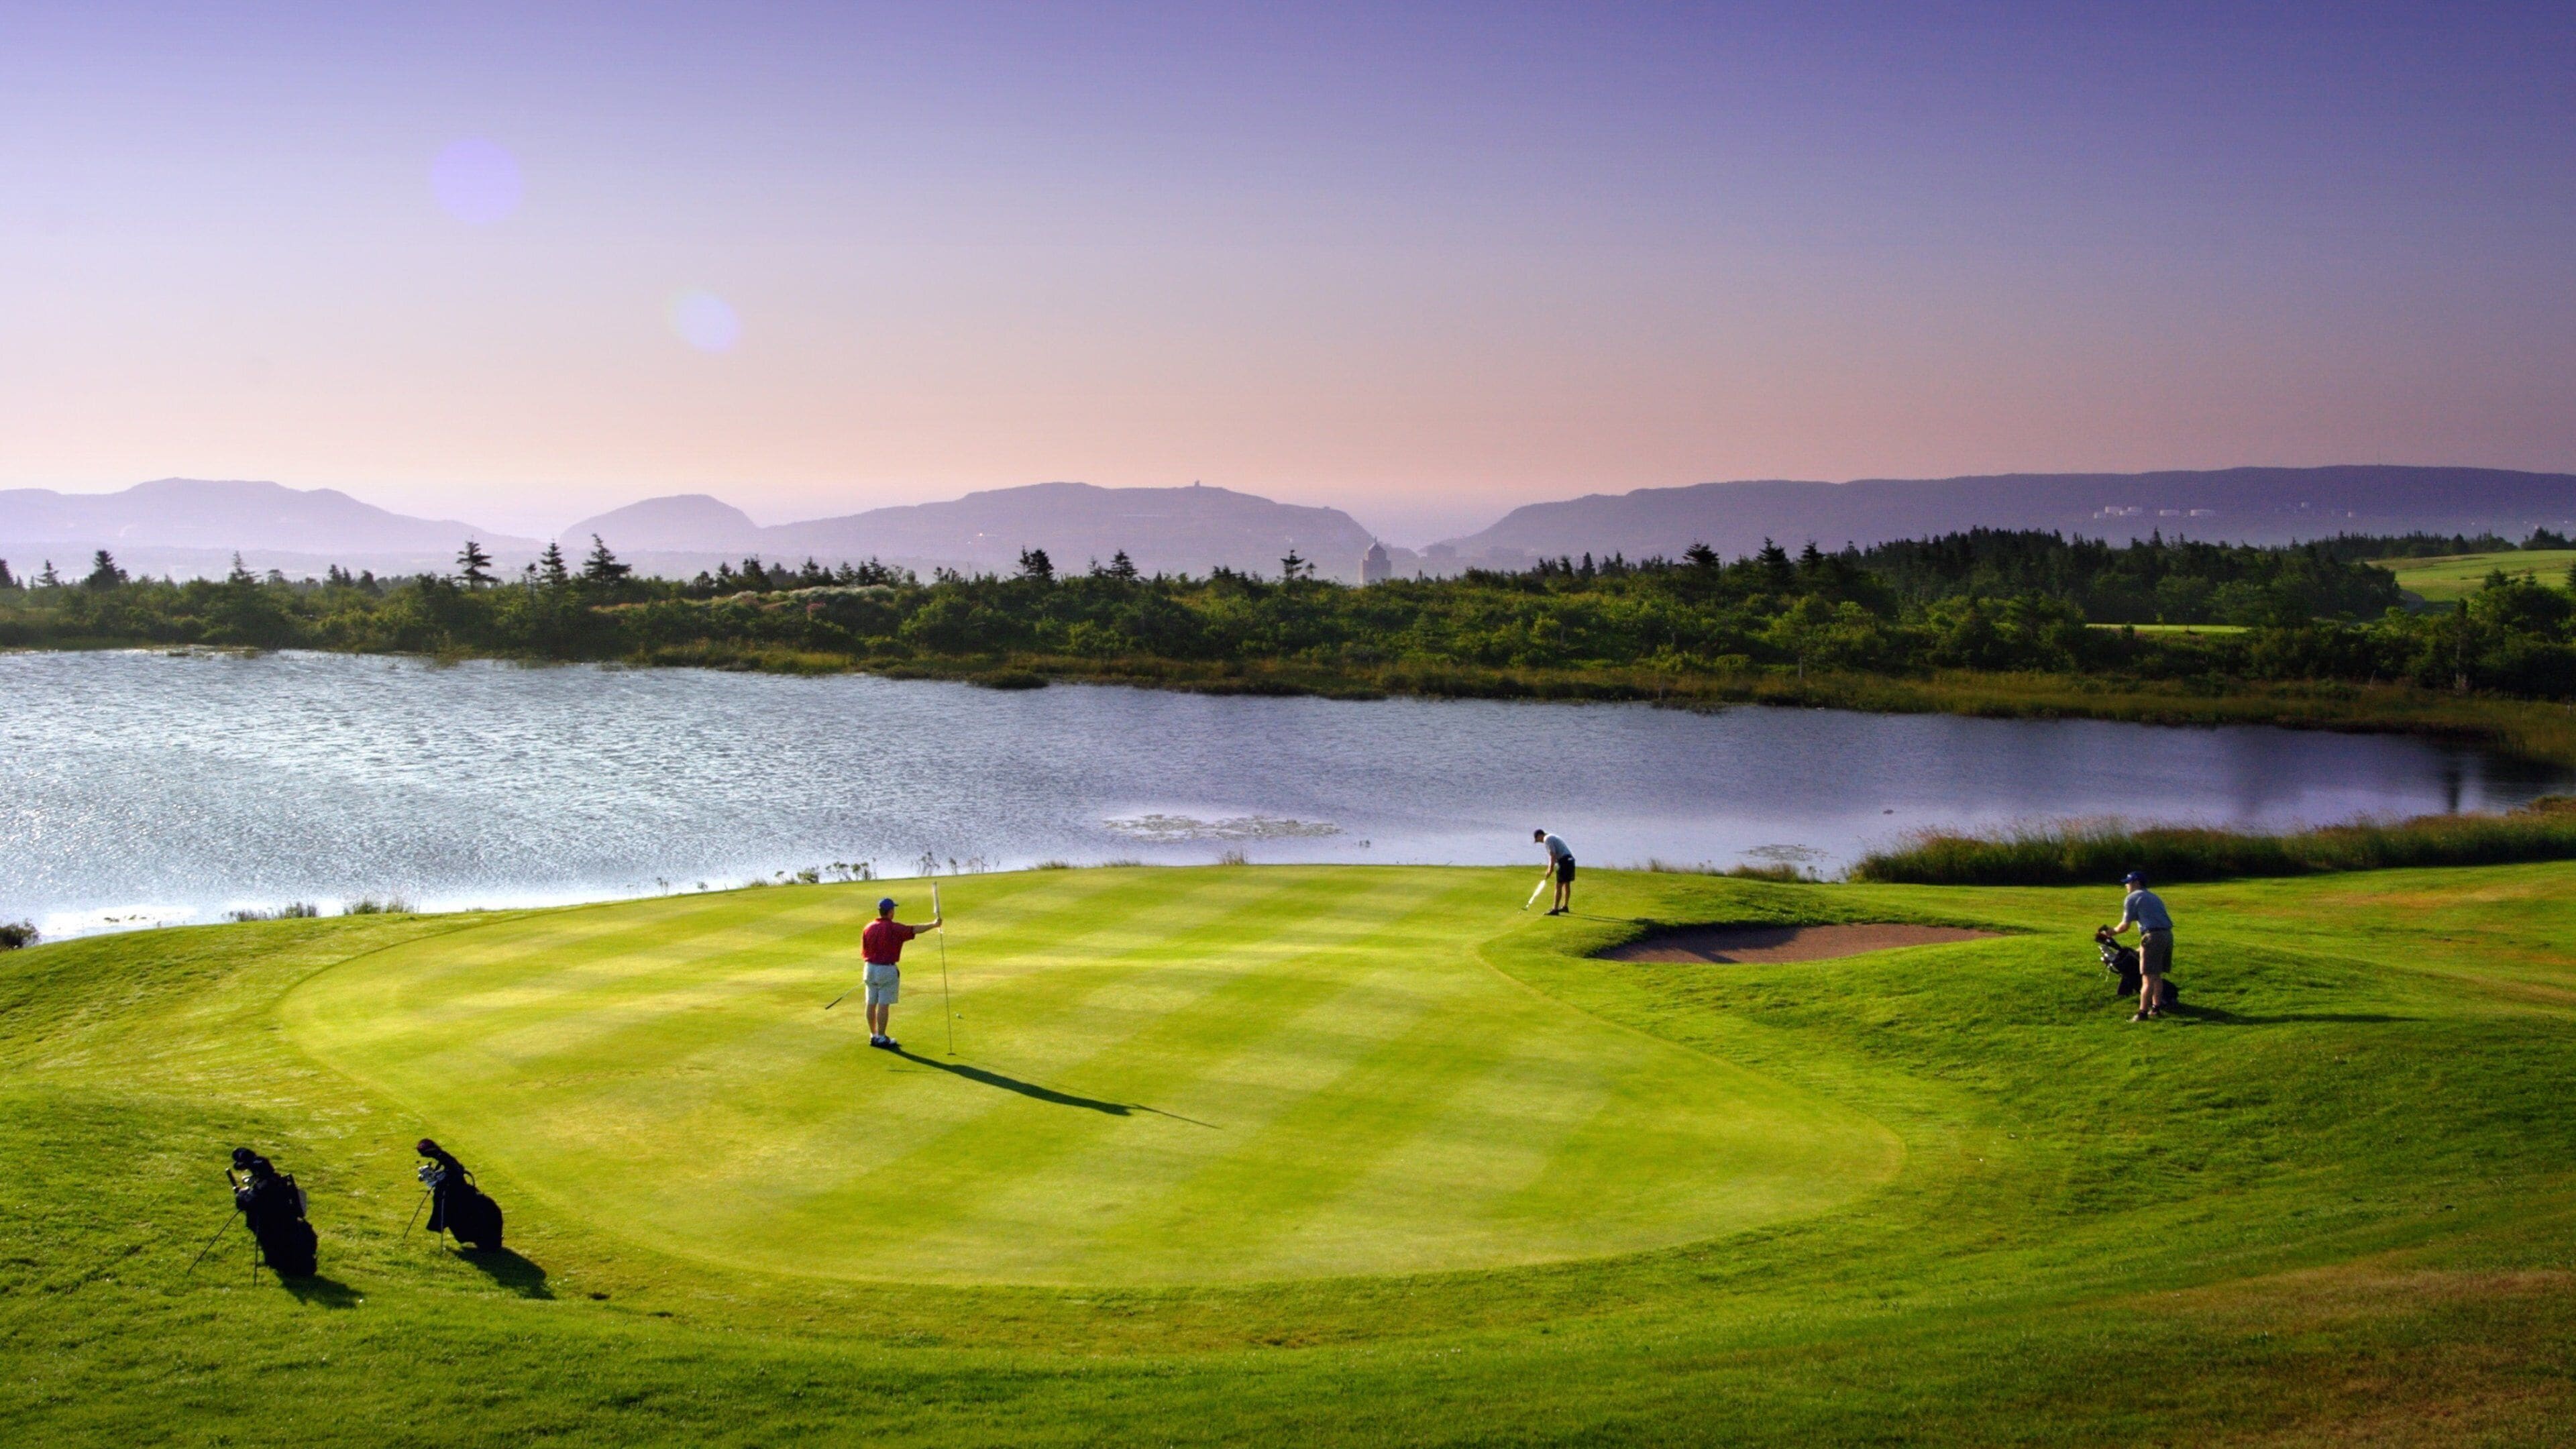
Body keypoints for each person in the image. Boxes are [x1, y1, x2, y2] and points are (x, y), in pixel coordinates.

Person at [860, 895, 939, 1050]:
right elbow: (914, 929)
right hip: (886, 969)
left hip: (869, 968)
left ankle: (874, 1035)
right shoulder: (894, 928)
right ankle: (882, 1038)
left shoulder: (868, 927)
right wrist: (934, 925)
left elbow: (865, 950)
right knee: (883, 1004)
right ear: (890, 912)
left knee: (871, 1003)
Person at [2106, 869, 2174, 1021]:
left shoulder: (2133, 897)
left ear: (2136, 883)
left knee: (2147, 977)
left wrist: (2111, 932)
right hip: (2167, 935)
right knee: (2156, 975)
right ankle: (2156, 1008)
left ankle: (2142, 1013)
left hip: (2152, 936)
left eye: (2128, 883)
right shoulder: (2154, 897)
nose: (2126, 886)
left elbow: (2125, 926)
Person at [1533, 828, 1576, 916]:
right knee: (1567, 884)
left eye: (1538, 840)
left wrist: (1550, 869)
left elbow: (1553, 855)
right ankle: (1565, 907)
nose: (1539, 842)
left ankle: (1555, 909)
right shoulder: (1552, 836)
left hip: (1564, 862)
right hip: (1570, 860)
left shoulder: (1547, 839)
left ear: (1540, 835)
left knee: (1558, 885)